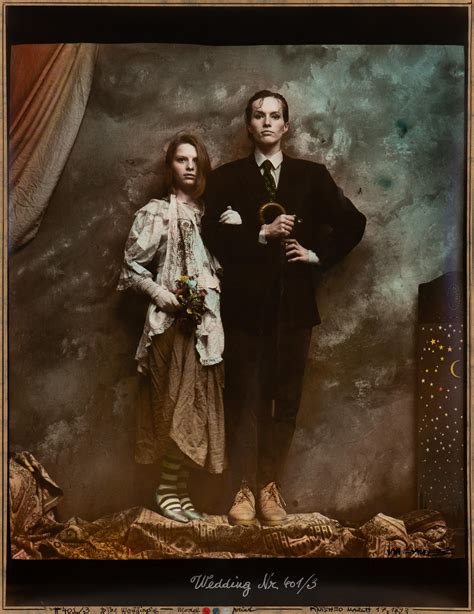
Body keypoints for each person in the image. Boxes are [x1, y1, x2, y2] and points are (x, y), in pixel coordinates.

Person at [202, 90, 366, 527]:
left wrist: (316, 255)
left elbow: (354, 223)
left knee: (286, 400)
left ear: (287, 126)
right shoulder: (226, 178)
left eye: (275, 116)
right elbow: (209, 235)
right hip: (242, 309)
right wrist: (260, 234)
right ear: (248, 125)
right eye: (259, 116)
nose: (267, 122)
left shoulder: (312, 176)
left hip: (293, 310)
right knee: (242, 398)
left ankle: (268, 486)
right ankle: (241, 488)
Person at [118, 133, 224, 524]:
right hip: (171, 328)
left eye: (196, 160)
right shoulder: (158, 213)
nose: (190, 166)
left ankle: (178, 491)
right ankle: (166, 490)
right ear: (171, 167)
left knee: (194, 413)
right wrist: (160, 294)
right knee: (173, 410)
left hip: (206, 329)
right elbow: (131, 266)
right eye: (182, 159)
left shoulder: (211, 216)